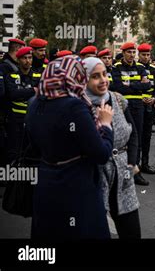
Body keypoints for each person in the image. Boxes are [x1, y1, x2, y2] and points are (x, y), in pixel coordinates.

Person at [26, 56, 114, 239]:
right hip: (76, 187)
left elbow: (33, 146)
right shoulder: (74, 106)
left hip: (46, 184)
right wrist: (106, 125)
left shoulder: (34, 103)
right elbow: (101, 153)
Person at [83, 57, 141, 239]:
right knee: (96, 230)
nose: (103, 80)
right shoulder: (79, 106)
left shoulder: (118, 99)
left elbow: (133, 133)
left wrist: (132, 162)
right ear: (83, 79)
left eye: (104, 74)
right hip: (96, 175)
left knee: (131, 231)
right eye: (95, 76)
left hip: (124, 174)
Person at [111, 42, 151, 186]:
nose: (132, 55)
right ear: (123, 53)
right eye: (129, 52)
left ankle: (135, 171)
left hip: (138, 107)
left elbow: (148, 85)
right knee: (122, 139)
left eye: (133, 52)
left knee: (137, 138)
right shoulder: (116, 67)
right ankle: (119, 171)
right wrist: (137, 86)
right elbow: (117, 87)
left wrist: (130, 86)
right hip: (122, 107)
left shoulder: (140, 67)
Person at [4, 47, 41, 162]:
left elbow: (42, 94)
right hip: (15, 120)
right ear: (18, 60)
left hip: (33, 119)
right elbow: (13, 94)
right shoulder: (11, 76)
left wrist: (23, 93)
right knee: (14, 151)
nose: (27, 61)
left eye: (30, 58)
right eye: (24, 58)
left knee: (31, 151)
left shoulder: (38, 76)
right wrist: (33, 90)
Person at [137, 43, 155, 175]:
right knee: (137, 135)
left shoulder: (154, 70)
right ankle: (136, 164)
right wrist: (140, 98)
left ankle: (145, 163)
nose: (146, 57)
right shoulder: (135, 68)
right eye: (143, 55)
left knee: (147, 136)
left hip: (150, 106)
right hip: (138, 105)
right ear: (139, 55)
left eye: (148, 55)